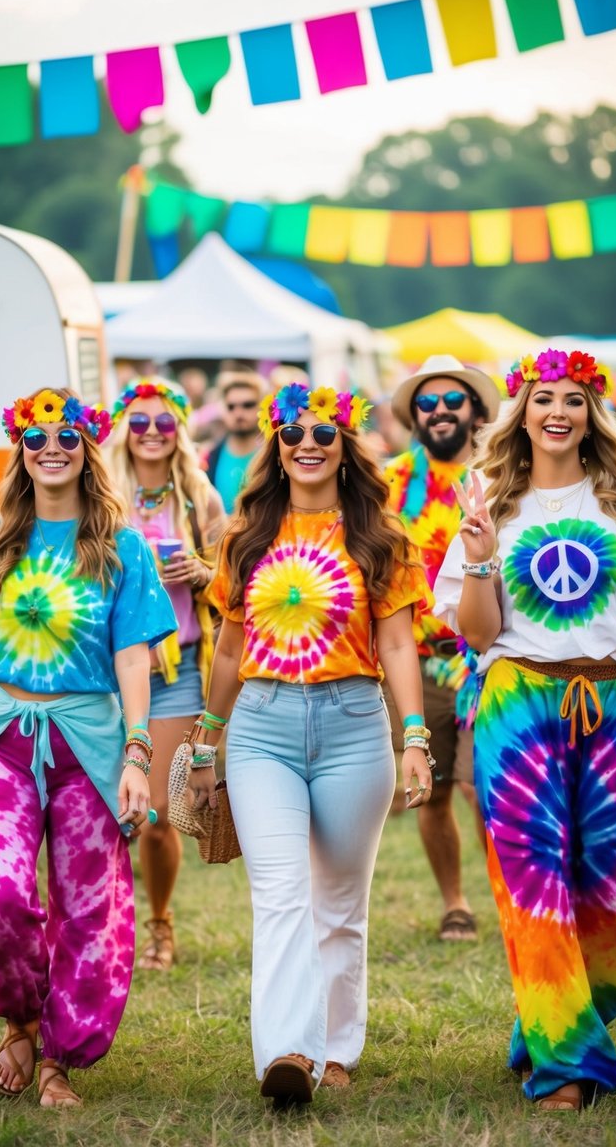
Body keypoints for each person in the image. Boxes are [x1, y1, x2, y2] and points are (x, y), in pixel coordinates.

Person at [435, 348, 616, 1112]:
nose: (557, 412)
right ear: (521, 410)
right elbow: (478, 636)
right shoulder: (491, 503)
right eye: (543, 398)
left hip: (612, 706)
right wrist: (480, 559)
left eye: (573, 400)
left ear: (591, 414)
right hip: (519, 704)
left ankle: (549, 1021)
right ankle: (565, 1067)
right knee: (534, 884)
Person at [190, 383, 431, 1103]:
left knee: (338, 903)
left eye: (324, 433)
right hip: (261, 727)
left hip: (354, 727)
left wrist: (412, 737)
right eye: (293, 431)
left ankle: (336, 1049)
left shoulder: (381, 539)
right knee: (281, 893)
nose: (307, 443)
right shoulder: (244, 538)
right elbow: (228, 652)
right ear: (275, 444)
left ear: (346, 447)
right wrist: (207, 740)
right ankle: (287, 1052)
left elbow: (395, 645)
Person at [0, 388, 175, 1107]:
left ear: (87, 450)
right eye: (37, 437)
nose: (51, 448)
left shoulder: (119, 548)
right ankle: (19, 1016)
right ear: (20, 448)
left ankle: (57, 1062)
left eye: (67, 437)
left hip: (88, 743)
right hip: (2, 737)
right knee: (2, 893)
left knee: (87, 907)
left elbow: (133, 660)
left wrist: (137, 755)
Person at [108, 379, 226, 970]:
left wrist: (201, 571)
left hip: (177, 666)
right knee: (102, 811)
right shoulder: (102, 494)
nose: (152, 433)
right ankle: (101, 925)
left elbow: (233, 581)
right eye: (139, 422)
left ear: (179, 429)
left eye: (163, 423)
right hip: (106, 670)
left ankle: (160, 926)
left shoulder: (200, 498)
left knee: (154, 813)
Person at [385, 354, 500, 942]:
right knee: (429, 792)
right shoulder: (389, 482)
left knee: (488, 789)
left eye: (453, 401)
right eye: (427, 403)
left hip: (492, 654)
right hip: (421, 661)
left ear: (476, 410)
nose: (439, 412)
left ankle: (513, 899)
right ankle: (456, 903)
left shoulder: (502, 476)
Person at [203, 371, 266, 513]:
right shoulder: (210, 455)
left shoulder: (276, 454)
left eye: (248, 405)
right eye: (231, 406)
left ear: (262, 406)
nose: (238, 413)